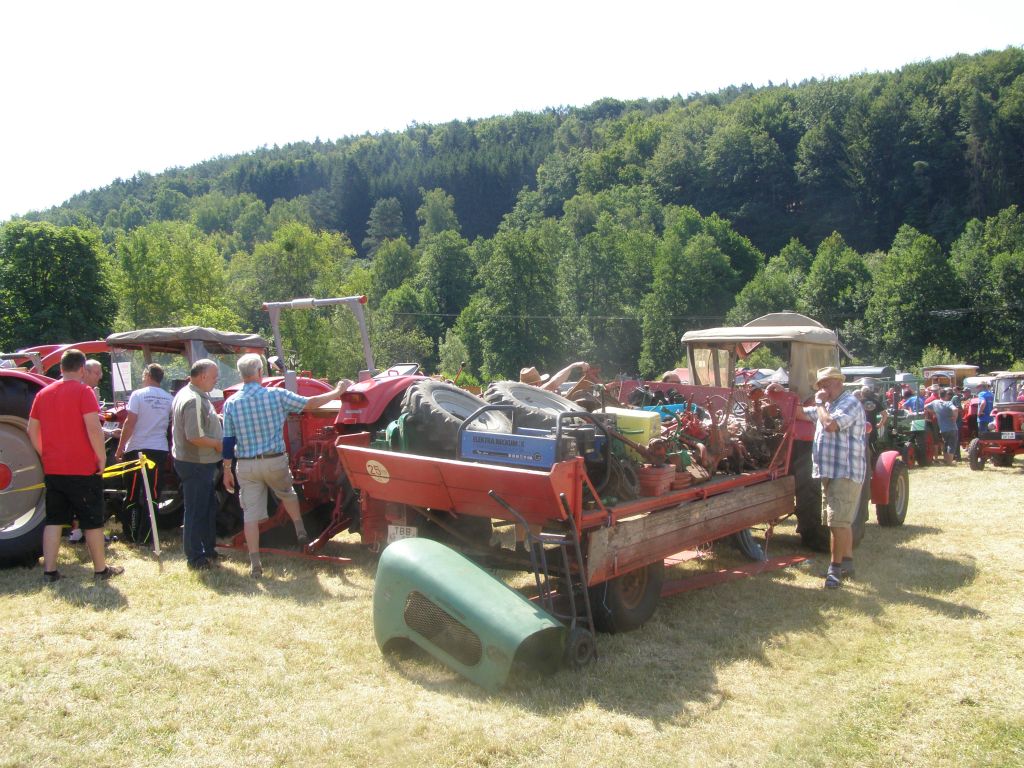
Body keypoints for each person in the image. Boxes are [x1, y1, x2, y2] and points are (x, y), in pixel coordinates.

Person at [221, 353, 351, 578]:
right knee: (288, 493)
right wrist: (338, 391)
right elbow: (310, 403)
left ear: (241, 375)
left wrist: (226, 469)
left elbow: (228, 440)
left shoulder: (231, 403)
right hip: (274, 461)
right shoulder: (275, 395)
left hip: (246, 465)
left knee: (250, 515)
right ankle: (300, 529)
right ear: (260, 372)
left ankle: (255, 563)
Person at [26, 349, 123, 582]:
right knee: (92, 521)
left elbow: (31, 429)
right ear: (82, 369)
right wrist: (101, 457)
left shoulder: (43, 394)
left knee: (54, 520)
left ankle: (50, 570)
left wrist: (44, 453)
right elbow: (93, 428)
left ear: (60, 368)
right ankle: (100, 569)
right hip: (82, 468)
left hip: (54, 468)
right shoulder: (84, 391)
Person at [795, 366, 866, 589]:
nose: (823, 389)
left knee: (838, 523)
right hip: (831, 472)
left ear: (839, 383)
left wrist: (817, 403)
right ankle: (847, 564)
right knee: (837, 521)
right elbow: (799, 414)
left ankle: (834, 571)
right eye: (821, 386)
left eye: (826, 384)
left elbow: (830, 425)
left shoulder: (849, 403)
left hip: (845, 471)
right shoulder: (828, 406)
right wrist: (780, 395)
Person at [171, 359, 224, 570]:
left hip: (198, 462)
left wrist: (215, 419)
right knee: (195, 511)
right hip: (196, 463)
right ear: (202, 377)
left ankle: (208, 550)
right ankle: (195, 557)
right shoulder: (193, 400)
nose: (216, 380)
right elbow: (194, 436)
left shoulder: (194, 395)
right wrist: (219, 444)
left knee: (206, 508)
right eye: (213, 377)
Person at [114, 363, 173, 544]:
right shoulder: (169, 398)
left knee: (131, 492)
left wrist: (120, 448)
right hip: (158, 449)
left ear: (147, 375)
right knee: (153, 495)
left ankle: (131, 534)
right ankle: (147, 536)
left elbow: (130, 423)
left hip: (137, 448)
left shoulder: (138, 395)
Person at [926, 388, 960, 466]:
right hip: (952, 427)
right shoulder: (948, 403)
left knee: (945, 443)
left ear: (939, 395)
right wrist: (955, 418)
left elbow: (926, 407)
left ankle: (945, 460)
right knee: (952, 444)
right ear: (946, 395)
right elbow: (955, 410)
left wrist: (934, 412)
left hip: (943, 428)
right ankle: (950, 462)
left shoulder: (935, 402)